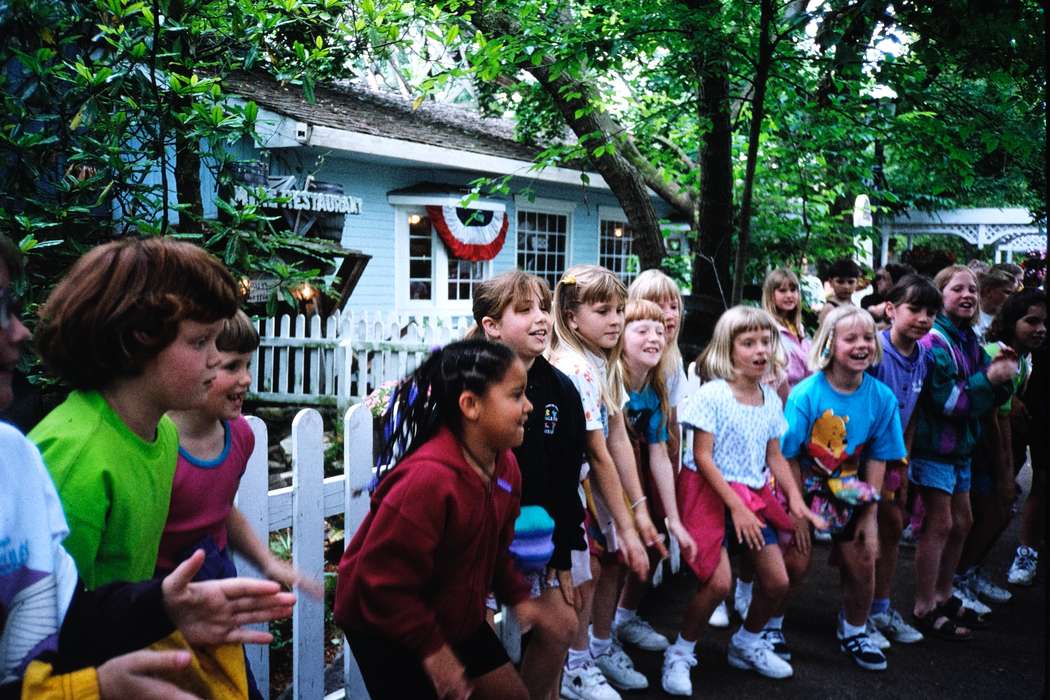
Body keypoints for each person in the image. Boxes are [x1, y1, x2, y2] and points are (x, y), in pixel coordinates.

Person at [0, 235, 294, 699]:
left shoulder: (164, 435)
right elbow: (44, 627)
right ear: (139, 340)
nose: (216, 359)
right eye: (200, 341)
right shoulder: (76, 457)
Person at [334, 339, 541, 700]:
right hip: (385, 623)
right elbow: (381, 583)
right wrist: (434, 651)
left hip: (451, 609)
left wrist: (519, 597)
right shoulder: (428, 480)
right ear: (470, 405)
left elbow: (495, 549)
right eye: (516, 395)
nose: (529, 406)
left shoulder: (505, 466)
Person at [666, 306, 825, 694]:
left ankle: (747, 642)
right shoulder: (713, 395)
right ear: (728, 348)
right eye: (748, 342)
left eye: (765, 342)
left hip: (751, 494)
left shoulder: (770, 399)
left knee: (776, 580)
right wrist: (734, 507)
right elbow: (703, 457)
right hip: (709, 493)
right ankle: (681, 652)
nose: (759, 350)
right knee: (718, 584)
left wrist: (795, 500)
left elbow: (774, 456)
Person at [548, 265, 663, 700]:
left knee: (599, 568)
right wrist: (630, 526)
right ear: (572, 317)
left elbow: (617, 437)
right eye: (603, 311)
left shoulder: (601, 360)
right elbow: (598, 453)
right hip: (562, 489)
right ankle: (573, 668)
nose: (616, 319)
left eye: (619, 309)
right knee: (582, 576)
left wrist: (638, 510)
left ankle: (590, 654)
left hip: (581, 486)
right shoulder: (576, 368)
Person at [472, 271, 585, 700]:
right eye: (525, 310)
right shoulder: (466, 384)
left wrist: (563, 549)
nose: (541, 318)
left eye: (543, 307)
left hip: (534, 538)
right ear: (491, 327)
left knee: (563, 626)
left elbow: (566, 479)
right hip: (475, 539)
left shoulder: (561, 390)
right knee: (475, 641)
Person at [780, 305, 906, 671]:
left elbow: (879, 458)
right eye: (850, 338)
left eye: (868, 337)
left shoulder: (881, 397)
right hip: (803, 482)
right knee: (796, 560)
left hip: (850, 485)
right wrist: (796, 510)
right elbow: (787, 456)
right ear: (829, 344)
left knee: (865, 558)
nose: (862, 345)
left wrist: (870, 517)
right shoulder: (806, 394)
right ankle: (770, 626)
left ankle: (854, 629)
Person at [909, 265, 1016, 641]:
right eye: (958, 289)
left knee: (963, 522)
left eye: (973, 288)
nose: (968, 295)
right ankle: (925, 604)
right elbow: (950, 401)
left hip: (961, 449)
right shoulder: (935, 343)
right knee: (939, 524)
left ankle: (944, 593)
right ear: (940, 296)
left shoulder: (970, 339)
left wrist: (1004, 374)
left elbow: (995, 397)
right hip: (934, 447)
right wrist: (990, 379)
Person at [613, 301, 699, 652]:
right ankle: (596, 643)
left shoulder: (654, 389)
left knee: (645, 551)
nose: (654, 337)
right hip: (598, 483)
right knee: (609, 561)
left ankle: (619, 622)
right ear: (620, 337)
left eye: (660, 330)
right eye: (642, 330)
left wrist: (674, 518)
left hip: (633, 479)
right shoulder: (611, 381)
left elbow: (659, 452)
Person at [866, 274, 942, 647]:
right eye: (914, 309)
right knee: (863, 536)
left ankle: (880, 607)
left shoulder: (923, 356)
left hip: (895, 460)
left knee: (893, 528)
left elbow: (910, 415)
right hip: (862, 462)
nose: (923, 319)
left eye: (930, 312)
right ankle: (857, 613)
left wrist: (904, 462)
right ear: (892, 309)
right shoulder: (874, 352)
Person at [957, 289, 1045, 601]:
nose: (1040, 329)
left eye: (1044, 323)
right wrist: (1006, 471)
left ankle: (970, 572)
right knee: (991, 513)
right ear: (1012, 321)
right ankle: (959, 578)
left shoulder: (1022, 359)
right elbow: (997, 420)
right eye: (1031, 321)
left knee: (998, 513)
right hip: (983, 450)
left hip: (996, 450)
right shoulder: (1002, 355)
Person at [1007, 339, 1047, 586]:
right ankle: (1027, 552)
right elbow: (1015, 337)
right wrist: (1008, 393)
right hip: (1042, 405)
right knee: (1043, 481)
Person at [975, 266, 1019, 340]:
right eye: (1007, 292)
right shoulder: (970, 315)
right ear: (988, 291)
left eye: (1014, 294)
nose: (1012, 297)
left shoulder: (1010, 320)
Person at [817, 258, 861, 324]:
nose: (846, 286)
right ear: (831, 282)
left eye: (850, 282)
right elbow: (822, 333)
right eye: (840, 282)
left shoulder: (853, 305)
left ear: (857, 282)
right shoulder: (829, 308)